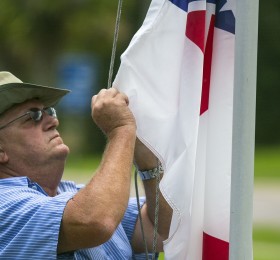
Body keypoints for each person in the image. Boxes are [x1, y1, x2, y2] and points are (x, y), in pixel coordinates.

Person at [0, 71, 172, 259]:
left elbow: (161, 231)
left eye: (48, 111)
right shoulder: (3, 204)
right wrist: (121, 129)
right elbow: (96, 221)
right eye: (32, 116)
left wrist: (147, 160)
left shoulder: (74, 195)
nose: (52, 120)